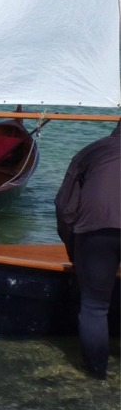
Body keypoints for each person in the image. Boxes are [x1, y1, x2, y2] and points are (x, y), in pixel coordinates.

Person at [54, 122, 120, 380]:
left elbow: (65, 206)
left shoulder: (92, 151)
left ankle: (97, 374)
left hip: (96, 232)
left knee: (95, 306)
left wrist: (72, 246)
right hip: (98, 230)